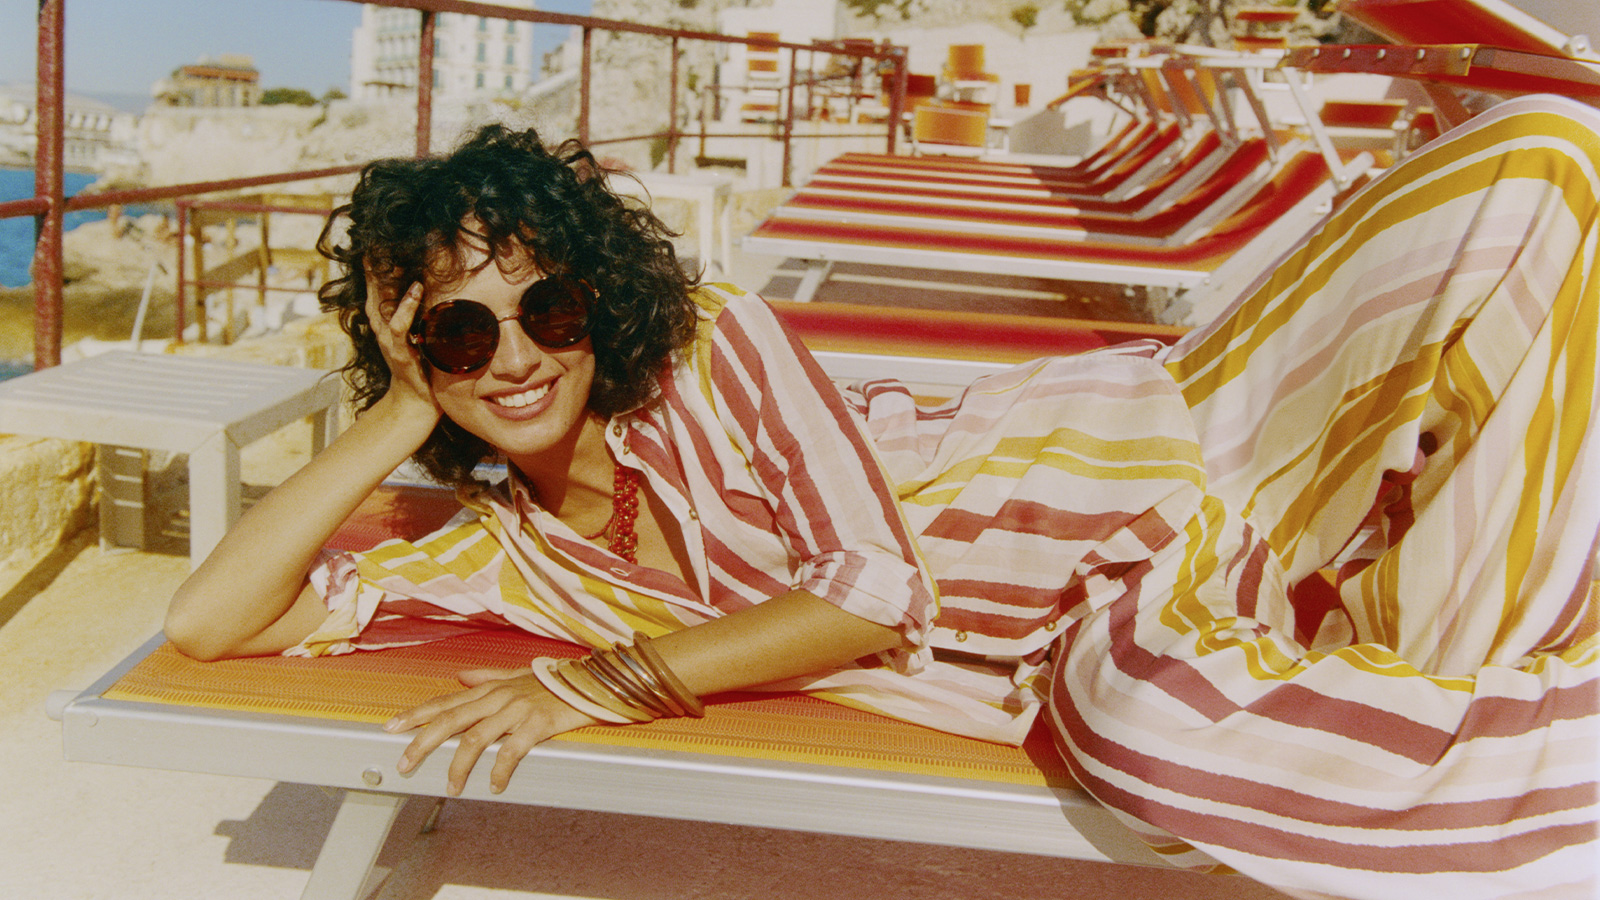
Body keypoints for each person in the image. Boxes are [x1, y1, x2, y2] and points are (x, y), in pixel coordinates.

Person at [164, 92, 1598, 900]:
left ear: (596, 298)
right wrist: (395, 405)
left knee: (1532, 164)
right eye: (464, 336)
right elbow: (212, 623)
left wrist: (601, 682)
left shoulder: (712, 349)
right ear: (421, 352)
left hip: (1167, 431)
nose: (521, 356)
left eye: (547, 306)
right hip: (1094, 618)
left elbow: (869, 591)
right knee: (1153, 736)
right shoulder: (512, 558)